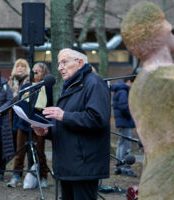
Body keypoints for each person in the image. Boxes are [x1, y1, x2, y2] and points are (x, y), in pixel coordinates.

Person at [32, 48, 110, 199]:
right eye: (59, 63)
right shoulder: (70, 85)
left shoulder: (94, 83)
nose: (60, 67)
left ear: (80, 62)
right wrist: (47, 132)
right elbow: (67, 125)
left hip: (84, 166)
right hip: (68, 165)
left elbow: (98, 119)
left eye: (64, 62)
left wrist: (64, 115)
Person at [121, 2, 174, 199]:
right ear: (155, 31)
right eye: (163, 21)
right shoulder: (164, 78)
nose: (170, 27)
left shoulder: (141, 81)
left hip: (157, 179)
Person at [7, 62, 52, 188]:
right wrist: (16, 124)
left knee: (40, 152)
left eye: (39, 71)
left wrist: (43, 123)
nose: (36, 73)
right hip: (23, 124)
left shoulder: (47, 88)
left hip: (39, 125)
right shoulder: (26, 86)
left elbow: (48, 106)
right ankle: (16, 176)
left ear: (44, 73)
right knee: (20, 152)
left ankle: (43, 177)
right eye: (34, 70)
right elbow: (20, 104)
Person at [112, 76, 136, 177]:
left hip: (121, 120)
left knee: (121, 144)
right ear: (129, 81)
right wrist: (132, 115)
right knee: (126, 145)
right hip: (125, 121)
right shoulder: (123, 91)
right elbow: (123, 106)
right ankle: (126, 168)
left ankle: (118, 167)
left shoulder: (120, 89)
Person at [8, 58, 30, 151]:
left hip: (24, 111)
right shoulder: (11, 81)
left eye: (23, 66)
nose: (20, 68)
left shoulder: (29, 80)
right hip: (12, 110)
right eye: (18, 66)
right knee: (13, 131)